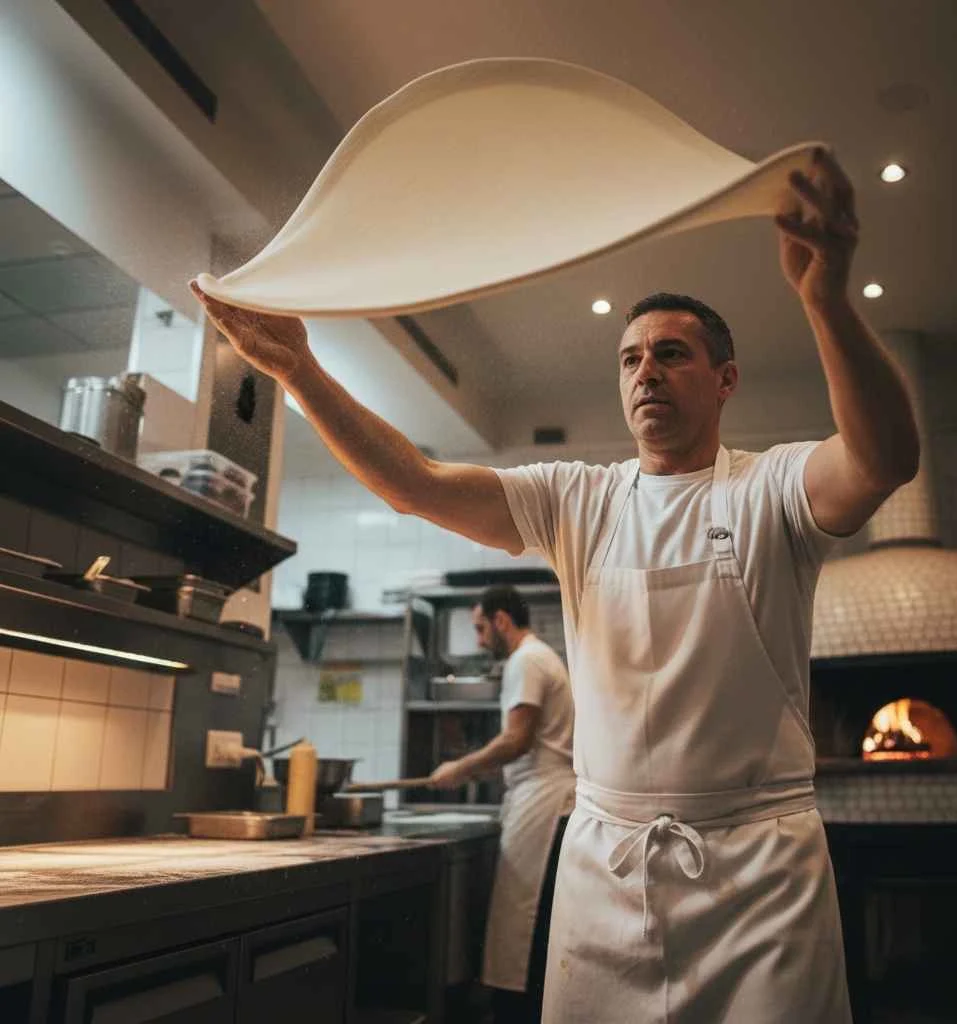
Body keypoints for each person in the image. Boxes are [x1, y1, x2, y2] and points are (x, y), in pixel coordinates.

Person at [191, 148, 919, 1021]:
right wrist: (297, 370)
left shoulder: (771, 487)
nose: (646, 372)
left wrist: (825, 300)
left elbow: (884, 459)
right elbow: (416, 484)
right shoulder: (579, 499)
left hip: (759, 871)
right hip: (607, 867)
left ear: (725, 380)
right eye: (630, 359)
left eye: (672, 354)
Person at [430, 584, 574, 1023]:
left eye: (480, 628)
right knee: (531, 929)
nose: (479, 640)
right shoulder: (541, 657)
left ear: (501, 620)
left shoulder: (526, 660)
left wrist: (461, 767)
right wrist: (486, 769)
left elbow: (517, 740)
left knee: (524, 928)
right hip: (547, 799)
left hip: (544, 806)